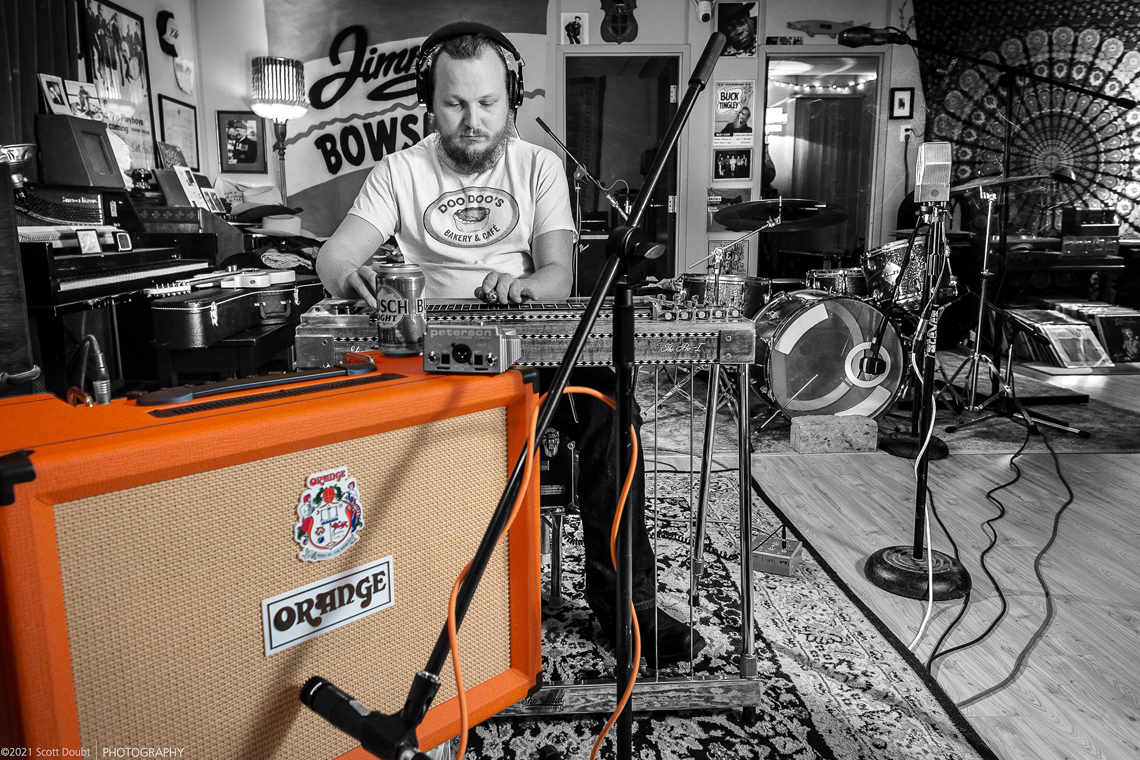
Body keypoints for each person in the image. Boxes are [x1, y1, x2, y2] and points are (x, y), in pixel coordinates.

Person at [317, 22, 704, 664]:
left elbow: (561, 276)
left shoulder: (541, 166)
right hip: (435, 356)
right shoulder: (399, 171)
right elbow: (336, 256)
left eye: (487, 103)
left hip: (533, 348)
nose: (472, 120)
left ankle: (627, 609)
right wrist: (346, 273)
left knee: (613, 411)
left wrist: (525, 285)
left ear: (512, 100)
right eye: (455, 103)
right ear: (429, 100)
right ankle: (419, 601)